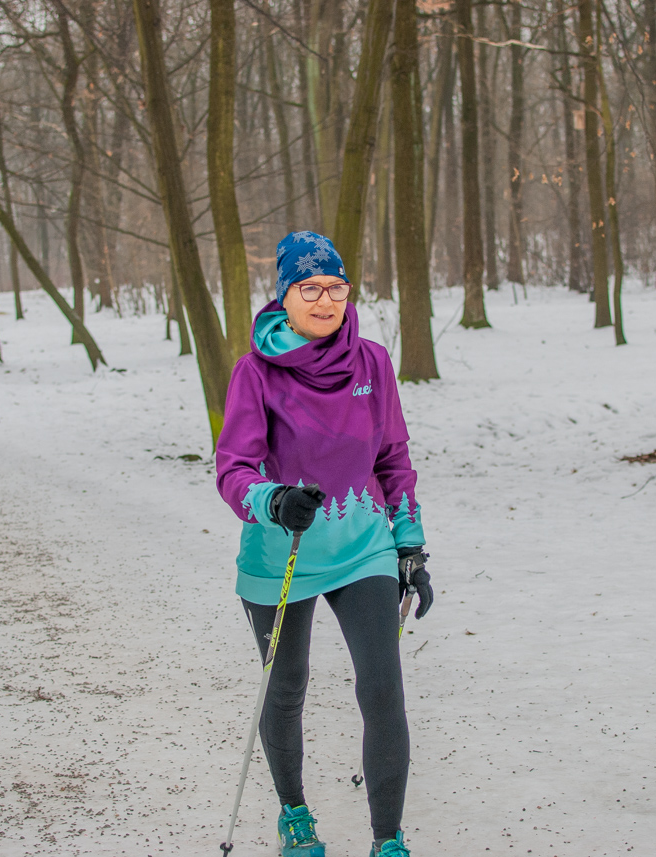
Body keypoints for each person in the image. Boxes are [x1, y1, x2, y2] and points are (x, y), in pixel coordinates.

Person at [215, 231, 435, 857]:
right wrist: (273, 499)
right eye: (308, 288)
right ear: (284, 295)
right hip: (281, 552)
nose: (324, 300)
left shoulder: (372, 363)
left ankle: (388, 839)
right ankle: (295, 814)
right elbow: (233, 469)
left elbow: (394, 457)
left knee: (382, 687)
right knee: (286, 687)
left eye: (335, 287)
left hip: (363, 546)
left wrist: (409, 545)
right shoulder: (255, 373)